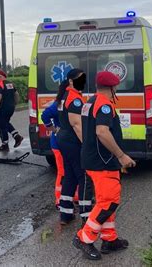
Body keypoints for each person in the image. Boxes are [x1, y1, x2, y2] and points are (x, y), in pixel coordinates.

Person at [73, 71, 136, 260]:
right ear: (113, 87)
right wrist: (121, 155)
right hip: (103, 162)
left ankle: (109, 239)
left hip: (93, 159)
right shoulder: (104, 105)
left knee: (105, 201)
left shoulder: (90, 101)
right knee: (108, 202)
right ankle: (84, 238)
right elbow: (102, 132)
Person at [56, 68, 93, 225]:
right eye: (79, 79)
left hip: (64, 139)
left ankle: (66, 214)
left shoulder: (65, 95)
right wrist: (87, 144)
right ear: (71, 81)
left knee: (70, 175)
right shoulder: (75, 99)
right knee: (84, 176)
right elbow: (77, 124)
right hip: (73, 140)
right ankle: (86, 215)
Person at [0, 69, 24, 151]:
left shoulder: (0, 85)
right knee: (5, 123)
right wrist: (14, 103)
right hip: (11, 107)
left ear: (0, 77)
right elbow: (17, 94)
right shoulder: (10, 84)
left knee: (1, 124)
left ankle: (5, 144)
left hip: (3, 108)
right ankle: (16, 137)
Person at [41, 100, 63, 208]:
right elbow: (45, 115)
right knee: (63, 172)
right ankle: (60, 200)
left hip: (66, 143)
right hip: (60, 144)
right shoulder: (60, 103)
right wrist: (54, 130)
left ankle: (74, 197)